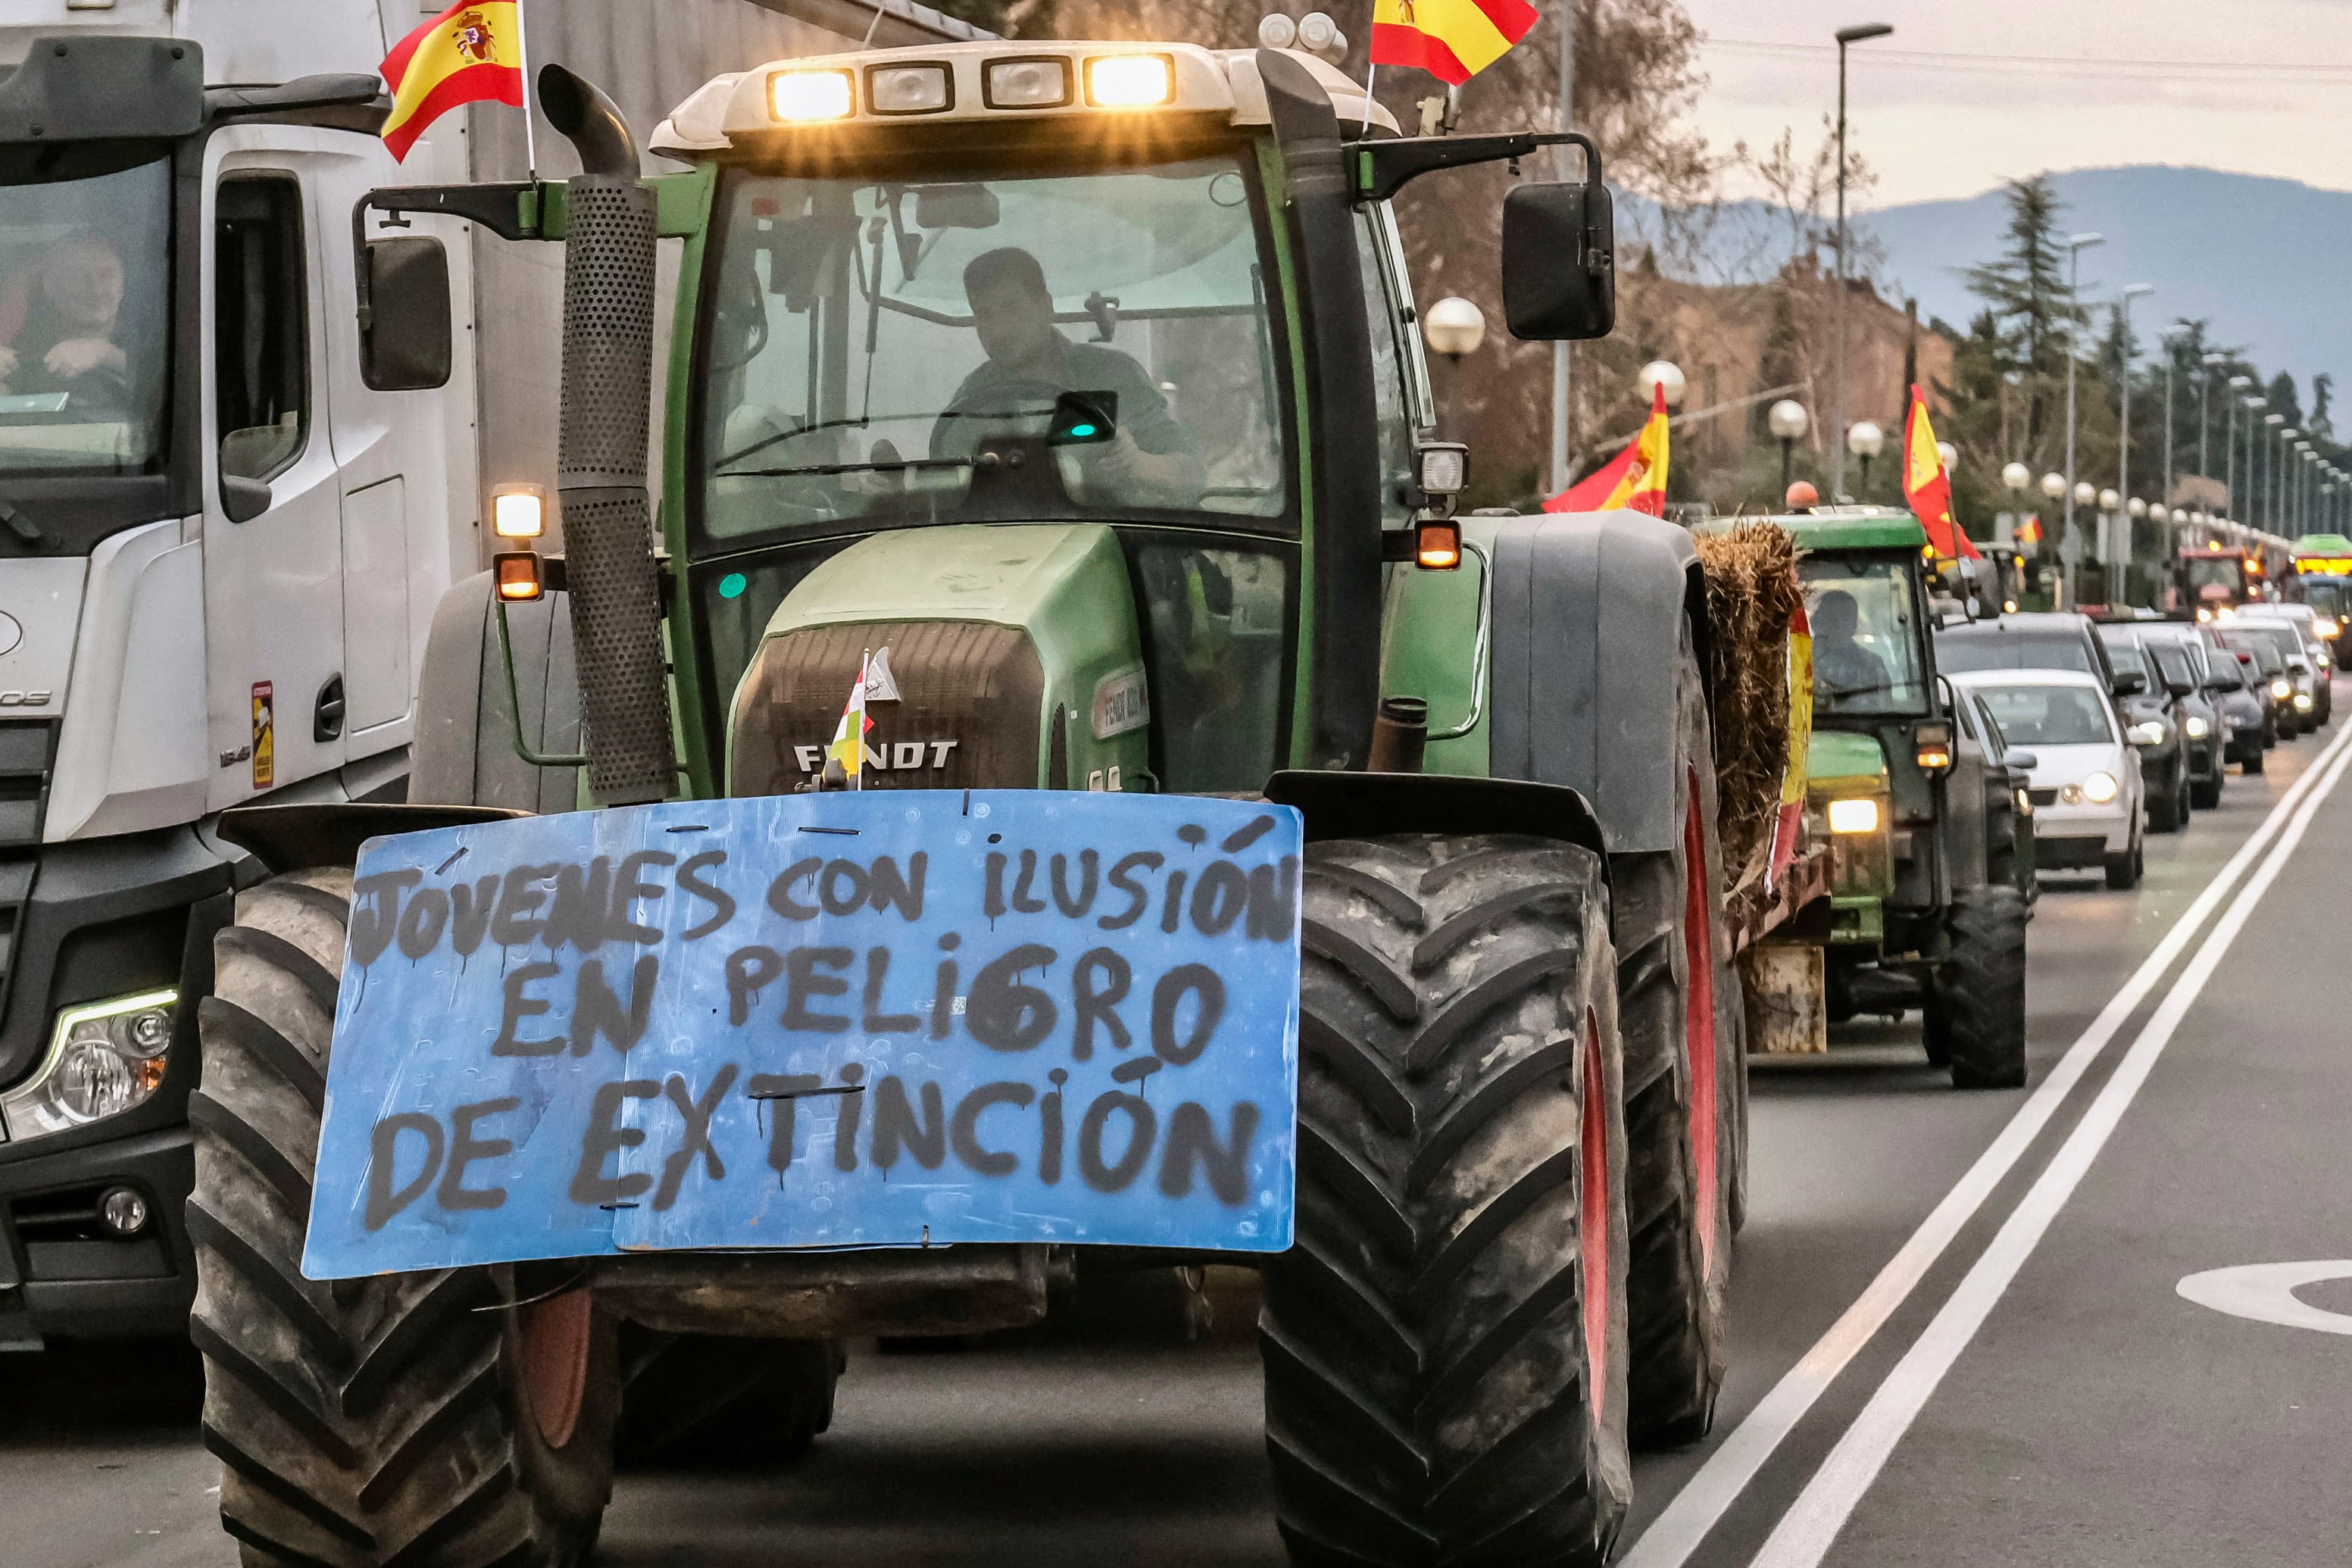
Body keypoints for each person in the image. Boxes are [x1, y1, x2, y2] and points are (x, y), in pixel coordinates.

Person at [933, 247, 1203, 503]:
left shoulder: (1112, 375)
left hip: (1121, 538)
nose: (999, 329)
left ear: (1045, 307)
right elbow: (945, 490)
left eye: (1012, 307)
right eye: (984, 314)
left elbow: (1192, 476)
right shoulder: (971, 398)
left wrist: (1135, 463)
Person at [0, 233, 132, 401]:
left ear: (123, 285)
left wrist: (104, 354)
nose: (96, 289)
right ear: (52, 289)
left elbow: (159, 378)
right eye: (79, 276)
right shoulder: (27, 347)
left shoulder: (151, 342)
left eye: (106, 275)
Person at [1813, 588, 1891, 700]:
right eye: (1832, 617)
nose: (1839, 625)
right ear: (1817, 622)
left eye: (1845, 618)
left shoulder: (1872, 666)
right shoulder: (1802, 663)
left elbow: (1887, 711)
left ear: (1854, 624)